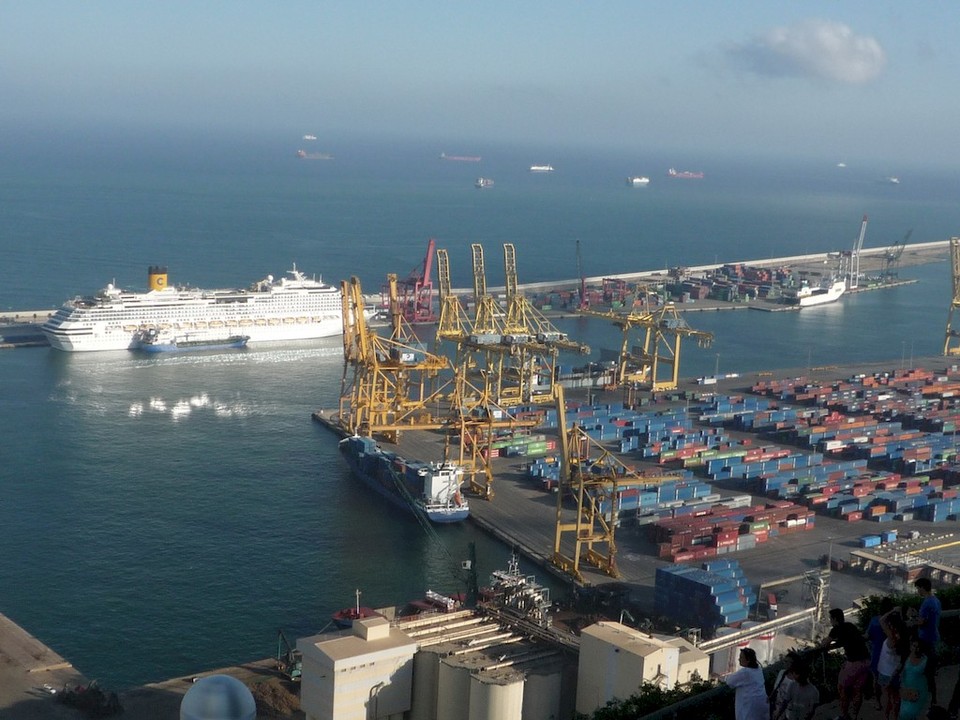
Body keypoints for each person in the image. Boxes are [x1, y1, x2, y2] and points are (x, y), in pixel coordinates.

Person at [821, 607, 872, 720]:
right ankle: (855, 716)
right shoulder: (850, 626)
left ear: (835, 619)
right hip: (866, 660)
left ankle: (844, 716)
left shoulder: (836, 629)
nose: (830, 621)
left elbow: (825, 644)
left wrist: (827, 641)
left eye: (830, 618)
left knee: (842, 687)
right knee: (858, 689)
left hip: (854, 662)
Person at [909, 578, 941, 704]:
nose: (917, 591)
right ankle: (932, 698)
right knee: (929, 671)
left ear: (922, 587)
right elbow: (929, 619)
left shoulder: (927, 602)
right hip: (933, 637)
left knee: (922, 670)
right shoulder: (936, 600)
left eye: (918, 588)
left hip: (925, 639)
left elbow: (921, 622)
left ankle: (924, 697)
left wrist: (911, 617)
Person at [877, 605, 910, 720]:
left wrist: (892, 610)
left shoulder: (891, 637)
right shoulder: (904, 636)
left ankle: (886, 717)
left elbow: (881, 620)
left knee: (886, 697)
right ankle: (896, 717)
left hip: (885, 672)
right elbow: (901, 624)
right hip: (898, 672)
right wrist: (898, 614)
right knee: (896, 698)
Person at [725, 647, 771, 720]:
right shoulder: (758, 669)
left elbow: (729, 681)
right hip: (762, 705)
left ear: (748, 660)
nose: (739, 659)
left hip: (750, 709)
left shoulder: (745, 672)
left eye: (741, 657)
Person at [869, 598, 897, 707]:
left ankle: (878, 702)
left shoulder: (875, 621)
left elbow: (868, 635)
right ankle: (892, 701)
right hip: (892, 653)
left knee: (876, 679)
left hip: (877, 652)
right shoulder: (894, 621)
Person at [900, 637, 931, 720]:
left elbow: (930, 677)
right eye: (914, 646)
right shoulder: (906, 657)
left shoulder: (926, 660)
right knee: (903, 714)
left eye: (918, 647)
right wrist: (902, 688)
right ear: (910, 646)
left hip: (919, 691)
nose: (916, 649)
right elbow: (901, 672)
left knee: (911, 713)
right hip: (907, 690)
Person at [769, 651, 799, 718]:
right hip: (778, 705)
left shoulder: (797, 680)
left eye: (787, 662)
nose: (785, 664)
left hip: (789, 710)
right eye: (784, 661)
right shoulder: (782, 673)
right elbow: (776, 688)